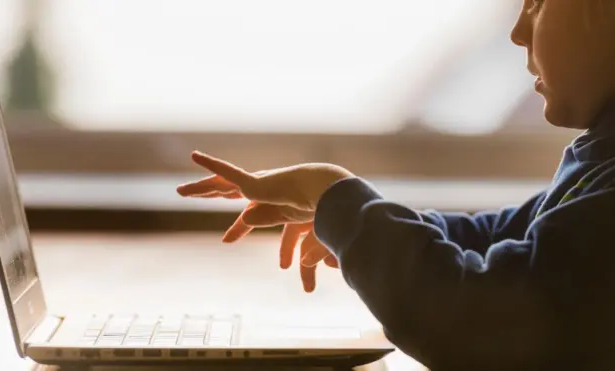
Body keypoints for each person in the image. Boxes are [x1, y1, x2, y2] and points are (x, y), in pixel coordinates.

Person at [176, 0, 615, 369]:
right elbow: (497, 237)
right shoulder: (600, 157)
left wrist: (336, 196)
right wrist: (349, 218)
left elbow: (473, 318)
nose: (518, 32)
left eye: (537, 4)